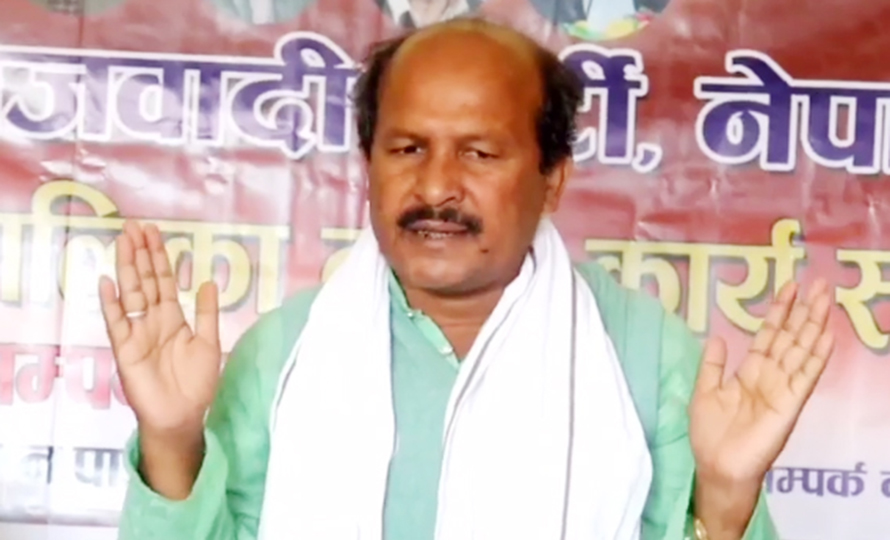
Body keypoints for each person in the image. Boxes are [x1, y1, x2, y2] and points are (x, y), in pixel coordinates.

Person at [102, 18, 834, 540]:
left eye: (479, 154)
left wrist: (728, 498)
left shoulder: (645, 358)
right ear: (367, 165)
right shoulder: (285, 355)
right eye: (407, 149)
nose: (435, 187)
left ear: (552, 179)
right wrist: (171, 441)